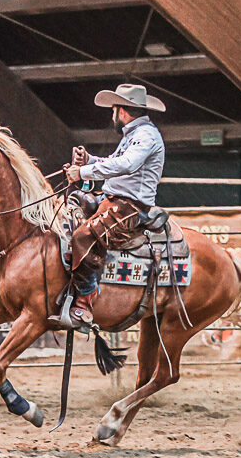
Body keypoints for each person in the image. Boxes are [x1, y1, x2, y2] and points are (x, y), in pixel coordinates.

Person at [56, 84, 166, 329]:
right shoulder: (134, 134)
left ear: (122, 111)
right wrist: (90, 161)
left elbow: (126, 165)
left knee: (82, 236)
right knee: (70, 211)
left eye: (114, 109)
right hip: (114, 201)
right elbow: (116, 162)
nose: (112, 115)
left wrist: (83, 171)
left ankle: (85, 298)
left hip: (130, 208)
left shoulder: (146, 136)